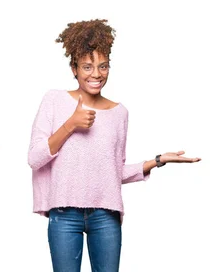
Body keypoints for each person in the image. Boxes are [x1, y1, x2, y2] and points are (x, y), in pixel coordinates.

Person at [27, 19, 201, 271]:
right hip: (64, 214)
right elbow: (34, 158)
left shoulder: (120, 113)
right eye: (87, 66)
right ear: (74, 68)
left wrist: (158, 160)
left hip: (105, 215)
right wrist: (70, 124)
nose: (96, 74)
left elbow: (113, 171)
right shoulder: (54, 100)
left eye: (103, 66)